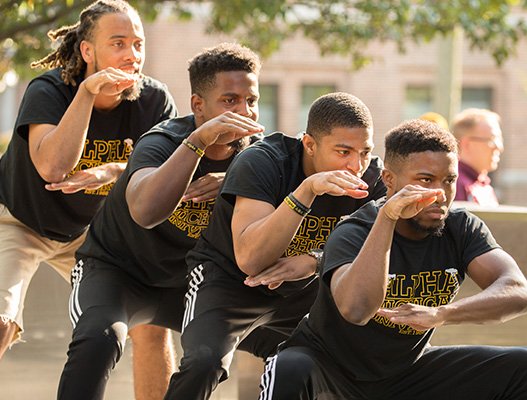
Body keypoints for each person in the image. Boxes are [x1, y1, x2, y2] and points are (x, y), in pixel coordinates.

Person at [259, 119, 527, 400]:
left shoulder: (460, 228)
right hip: (329, 369)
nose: (440, 194)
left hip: (405, 373)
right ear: (389, 179)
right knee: (289, 368)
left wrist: (442, 314)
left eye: (449, 180)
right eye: (425, 180)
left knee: (526, 365)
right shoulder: (353, 230)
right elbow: (356, 309)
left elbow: (518, 292)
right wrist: (388, 217)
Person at [56, 42, 265, 399]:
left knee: (259, 348)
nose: (244, 111)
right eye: (230, 100)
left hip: (195, 283)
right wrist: (196, 143)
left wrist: (233, 181)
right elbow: (147, 212)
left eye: (252, 101)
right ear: (198, 105)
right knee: (98, 339)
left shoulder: (261, 159)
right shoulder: (161, 141)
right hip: (120, 272)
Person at [0, 1, 179, 398]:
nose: (132, 55)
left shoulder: (153, 100)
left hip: (95, 235)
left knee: (151, 325)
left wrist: (113, 171)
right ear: (87, 51)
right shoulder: (49, 90)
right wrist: (85, 94)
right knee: (1, 320)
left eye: (138, 43)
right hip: (21, 221)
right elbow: (51, 167)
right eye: (118, 43)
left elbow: (164, 179)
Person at [163, 92, 387, 399]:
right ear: (310, 144)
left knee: (361, 359)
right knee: (204, 362)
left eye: (364, 152)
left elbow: (381, 254)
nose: (355, 165)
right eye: (343, 151)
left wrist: (315, 261)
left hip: (304, 292)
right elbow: (250, 259)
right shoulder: (264, 160)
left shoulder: (373, 179)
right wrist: (306, 191)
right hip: (229, 282)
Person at [451, 108, 504, 206]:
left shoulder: (483, 185)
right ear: (466, 144)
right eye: (491, 139)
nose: (499, 147)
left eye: (499, 139)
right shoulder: (453, 183)